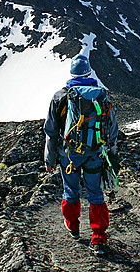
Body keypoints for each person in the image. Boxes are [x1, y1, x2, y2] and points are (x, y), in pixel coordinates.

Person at [43, 54, 118, 256]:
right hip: (95, 153)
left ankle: (73, 227)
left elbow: (50, 131)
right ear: (89, 72)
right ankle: (98, 238)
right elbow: (112, 129)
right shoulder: (101, 95)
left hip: (69, 154)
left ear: (71, 73)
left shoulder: (60, 96)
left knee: (71, 190)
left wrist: (49, 159)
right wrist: (111, 155)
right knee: (95, 194)